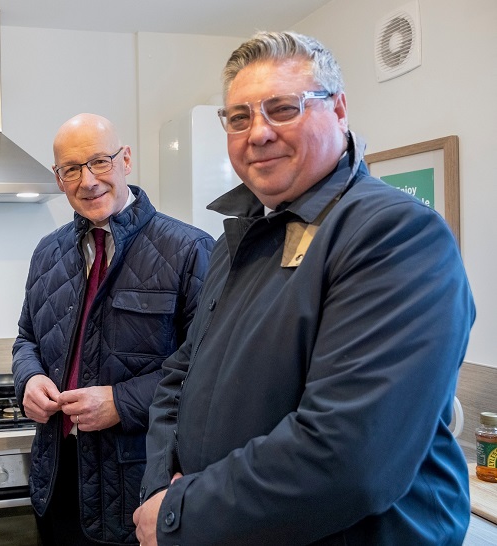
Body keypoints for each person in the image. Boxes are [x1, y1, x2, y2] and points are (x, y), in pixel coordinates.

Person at [133, 31, 476, 545]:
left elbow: (348, 457)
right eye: (239, 118)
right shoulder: (239, 240)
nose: (258, 133)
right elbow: (179, 377)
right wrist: (163, 488)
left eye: (283, 108)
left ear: (339, 110)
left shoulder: (394, 235)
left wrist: (181, 512)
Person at [12, 113, 214, 545]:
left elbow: (209, 372)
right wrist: (27, 378)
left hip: (137, 486)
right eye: (71, 169)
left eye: (99, 162)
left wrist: (122, 401)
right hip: (56, 480)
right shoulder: (48, 252)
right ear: (58, 178)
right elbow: (26, 337)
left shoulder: (189, 250)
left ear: (126, 160)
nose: (87, 181)